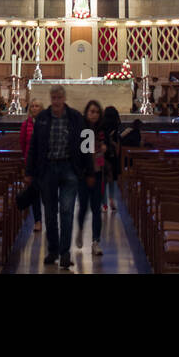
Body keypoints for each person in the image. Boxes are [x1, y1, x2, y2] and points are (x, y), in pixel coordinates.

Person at [24, 85, 93, 270]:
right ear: (50, 98)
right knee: (50, 213)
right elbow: (34, 147)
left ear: (64, 98)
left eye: (58, 98)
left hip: (69, 168)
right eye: (53, 98)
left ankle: (64, 253)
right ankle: (53, 250)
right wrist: (29, 172)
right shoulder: (43, 118)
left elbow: (87, 142)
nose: (55, 101)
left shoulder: (75, 117)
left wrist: (89, 171)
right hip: (47, 169)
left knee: (67, 210)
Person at [75, 100, 105, 254]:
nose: (94, 114)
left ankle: (96, 241)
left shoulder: (102, 130)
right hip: (85, 175)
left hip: (99, 173)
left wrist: (107, 147)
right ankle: (80, 229)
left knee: (96, 209)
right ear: (86, 113)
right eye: (91, 111)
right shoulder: (82, 130)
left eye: (97, 112)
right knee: (83, 207)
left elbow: (110, 149)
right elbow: (82, 154)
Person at [19, 99, 43, 233]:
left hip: (44, 163)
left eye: (37, 106)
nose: (34, 108)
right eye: (32, 106)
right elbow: (22, 143)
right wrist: (27, 158)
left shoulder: (46, 123)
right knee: (35, 193)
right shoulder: (25, 125)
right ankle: (38, 220)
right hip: (31, 164)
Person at [101, 106, 123, 210]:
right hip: (112, 154)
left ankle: (104, 203)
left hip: (102, 154)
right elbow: (118, 143)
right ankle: (112, 199)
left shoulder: (101, 125)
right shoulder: (116, 126)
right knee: (112, 178)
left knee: (102, 179)